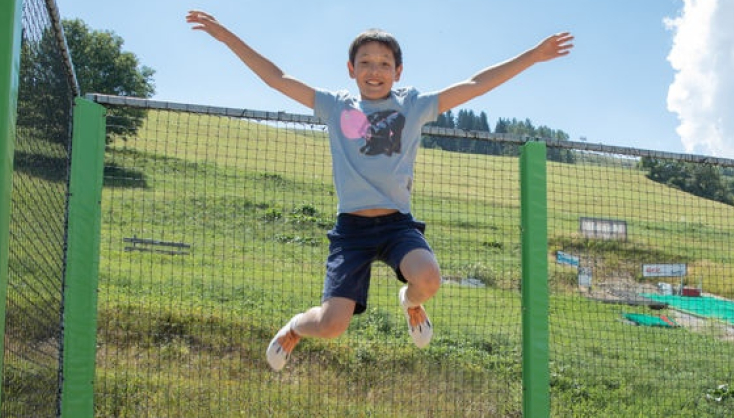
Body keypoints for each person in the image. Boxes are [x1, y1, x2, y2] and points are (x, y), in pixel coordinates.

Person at [187, 11, 574, 371]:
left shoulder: (414, 105)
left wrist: (533, 56)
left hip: (395, 225)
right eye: (366, 62)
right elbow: (277, 78)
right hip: (351, 231)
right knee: (330, 325)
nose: (375, 70)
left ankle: (410, 301)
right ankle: (294, 328)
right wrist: (224, 36)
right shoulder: (335, 106)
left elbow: (474, 85)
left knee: (428, 278)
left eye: (385, 63)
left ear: (398, 71)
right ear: (351, 69)